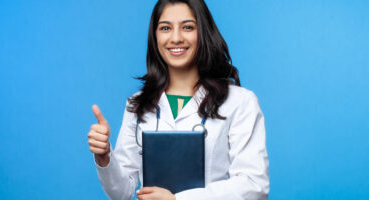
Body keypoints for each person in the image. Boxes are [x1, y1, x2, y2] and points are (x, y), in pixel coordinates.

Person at [87, 0, 269, 199]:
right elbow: (121, 192)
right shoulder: (137, 104)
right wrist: (104, 156)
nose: (175, 38)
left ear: (203, 32)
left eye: (188, 27)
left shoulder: (239, 102)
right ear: (155, 36)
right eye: (165, 28)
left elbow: (254, 186)